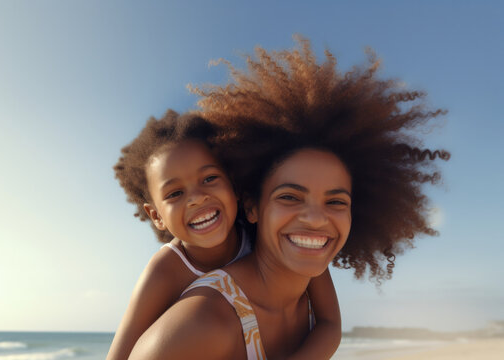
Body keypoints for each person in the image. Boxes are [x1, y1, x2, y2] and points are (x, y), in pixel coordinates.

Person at [127, 37, 450, 359]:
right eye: (290, 197)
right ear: (252, 205)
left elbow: (330, 325)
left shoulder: (301, 262)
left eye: (336, 201)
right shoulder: (198, 322)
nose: (315, 219)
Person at [107, 110, 341, 360]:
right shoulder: (164, 272)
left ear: (234, 185)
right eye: (175, 193)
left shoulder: (267, 233)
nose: (197, 198)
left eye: (209, 178)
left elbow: (330, 323)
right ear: (156, 216)